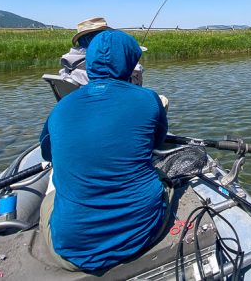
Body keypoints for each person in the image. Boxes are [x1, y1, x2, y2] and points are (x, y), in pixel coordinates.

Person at [39, 29, 169, 271]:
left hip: (73, 249)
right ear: (130, 61)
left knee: (49, 199)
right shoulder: (149, 99)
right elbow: (157, 141)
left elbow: (47, 155)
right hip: (144, 230)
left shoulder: (61, 107)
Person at [59, 17, 145, 86]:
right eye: (103, 34)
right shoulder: (98, 61)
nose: (107, 37)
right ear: (90, 38)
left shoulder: (69, 60)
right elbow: (131, 80)